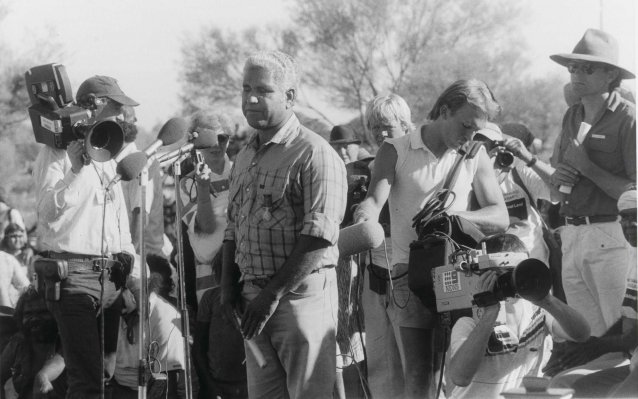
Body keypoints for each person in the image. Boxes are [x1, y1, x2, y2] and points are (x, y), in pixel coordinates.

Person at [354, 79, 509, 398]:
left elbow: (500, 216)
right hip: (411, 274)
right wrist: (363, 217)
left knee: (461, 370)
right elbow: (374, 201)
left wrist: (455, 220)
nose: (469, 135)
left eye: (476, 129)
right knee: (420, 375)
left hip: (461, 270)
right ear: (443, 110)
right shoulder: (396, 149)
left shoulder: (475, 153)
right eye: (466, 125)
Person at [221, 50, 347, 399]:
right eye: (246, 89)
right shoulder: (245, 155)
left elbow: (319, 237)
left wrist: (272, 294)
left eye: (262, 90)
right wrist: (229, 285)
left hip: (298, 300)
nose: (250, 99)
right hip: (251, 302)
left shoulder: (314, 153)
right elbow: (233, 225)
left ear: (290, 96)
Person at [32, 75, 138, 398]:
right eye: (117, 107)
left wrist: (133, 277)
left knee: (102, 374)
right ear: (96, 105)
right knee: (87, 381)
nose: (123, 116)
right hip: (73, 277)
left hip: (111, 279)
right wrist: (76, 170)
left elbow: (118, 223)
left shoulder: (108, 152)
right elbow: (48, 211)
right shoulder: (56, 152)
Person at [547, 28, 636, 339]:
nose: (577, 74)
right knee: (585, 340)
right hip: (572, 234)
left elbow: (635, 196)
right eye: (573, 67)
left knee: (618, 339)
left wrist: (588, 167)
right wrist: (557, 177)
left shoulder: (628, 119)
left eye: (587, 68)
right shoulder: (571, 115)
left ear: (610, 75)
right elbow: (556, 188)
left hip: (611, 235)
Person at [445, 233, 590, 398]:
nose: (510, 281)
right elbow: (460, 377)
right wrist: (490, 312)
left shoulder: (538, 314)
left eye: (515, 272)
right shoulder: (469, 321)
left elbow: (581, 334)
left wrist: (545, 298)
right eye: (500, 273)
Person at [546, 187, 637, 397]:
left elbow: (634, 335)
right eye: (624, 218)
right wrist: (587, 347)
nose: (629, 225)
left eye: (635, 217)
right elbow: (628, 320)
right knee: (566, 384)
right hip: (634, 361)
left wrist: (596, 346)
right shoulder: (634, 256)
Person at [109, 254, 186, 399]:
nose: (120, 294)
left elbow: (167, 384)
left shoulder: (165, 317)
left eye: (127, 288)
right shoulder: (110, 310)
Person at [179, 111, 233, 303]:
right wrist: (203, 188)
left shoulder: (242, 172)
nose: (216, 144)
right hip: (210, 282)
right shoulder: (187, 183)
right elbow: (206, 228)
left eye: (222, 137)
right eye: (207, 139)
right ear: (195, 144)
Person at [193, 253, 247, 399]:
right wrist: (210, 386)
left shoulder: (251, 299)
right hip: (217, 385)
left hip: (247, 386)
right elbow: (198, 347)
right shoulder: (210, 298)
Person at [118, 105, 165, 257]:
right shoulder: (113, 163)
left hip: (140, 261)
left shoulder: (138, 163)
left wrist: (129, 262)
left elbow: (140, 218)